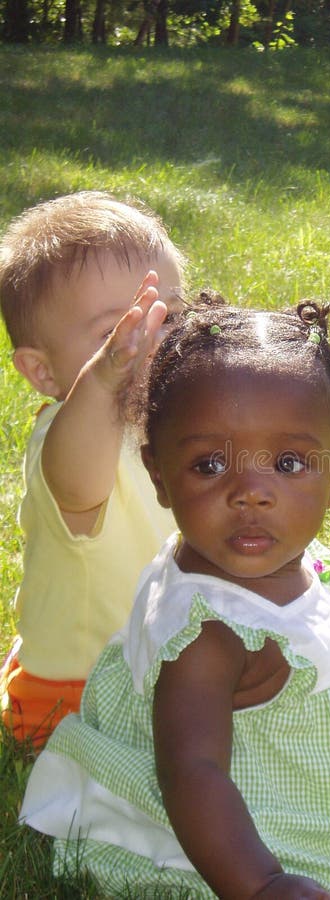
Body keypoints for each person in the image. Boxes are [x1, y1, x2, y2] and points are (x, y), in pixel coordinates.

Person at [21, 296, 330, 899]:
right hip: (244, 809)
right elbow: (193, 773)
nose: (250, 492)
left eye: (289, 462)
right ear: (159, 474)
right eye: (210, 464)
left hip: (281, 763)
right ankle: (329, 860)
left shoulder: (242, 561)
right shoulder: (207, 638)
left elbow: (288, 633)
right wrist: (261, 882)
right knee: (325, 852)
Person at [0, 190, 185, 747]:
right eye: (113, 336)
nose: (150, 345)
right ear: (43, 371)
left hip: (167, 670)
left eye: (168, 318)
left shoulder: (171, 421)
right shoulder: (68, 439)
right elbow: (78, 487)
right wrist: (105, 378)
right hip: (78, 700)